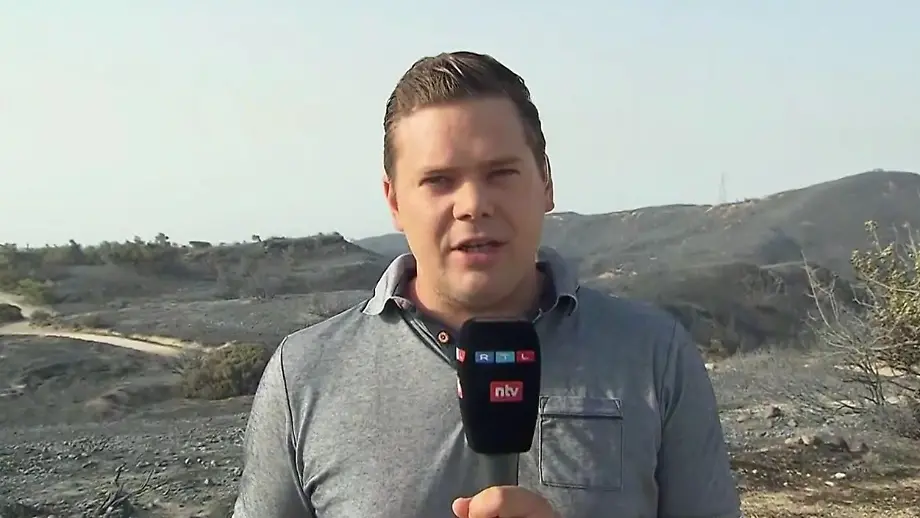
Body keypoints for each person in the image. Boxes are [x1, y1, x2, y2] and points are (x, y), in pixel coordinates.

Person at [231, 51, 742, 518]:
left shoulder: (655, 354)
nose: (473, 204)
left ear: (545, 182)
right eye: (439, 180)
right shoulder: (304, 375)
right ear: (394, 201)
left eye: (500, 173)